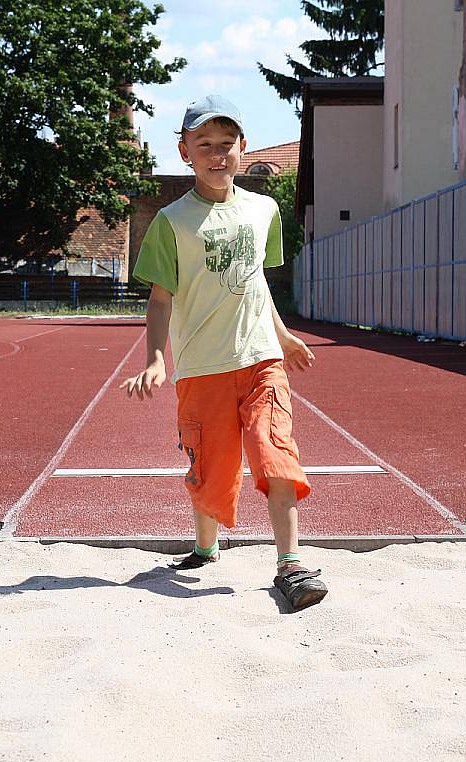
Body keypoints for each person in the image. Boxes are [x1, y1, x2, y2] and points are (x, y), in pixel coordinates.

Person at [120, 95, 327, 610]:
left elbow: (255, 282)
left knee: (275, 451)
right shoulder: (171, 221)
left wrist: (282, 336)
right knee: (210, 472)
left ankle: (291, 565)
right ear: (185, 151)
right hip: (202, 367)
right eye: (204, 144)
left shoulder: (264, 209)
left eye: (227, 143)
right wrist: (155, 358)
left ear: (243, 147)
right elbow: (160, 297)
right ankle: (206, 546)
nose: (218, 154)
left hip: (261, 361)